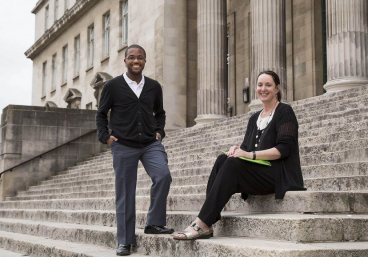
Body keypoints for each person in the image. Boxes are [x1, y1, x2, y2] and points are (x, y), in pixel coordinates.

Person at [173, 70, 306, 240]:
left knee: (233, 164)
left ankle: (202, 223)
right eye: (259, 85)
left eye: (268, 85)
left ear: (277, 89)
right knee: (224, 159)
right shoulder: (254, 118)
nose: (263, 89)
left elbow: (284, 149)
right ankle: (208, 220)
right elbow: (246, 148)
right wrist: (236, 150)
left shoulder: (285, 111)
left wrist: (250, 155)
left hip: (279, 174)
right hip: (259, 173)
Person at [96, 44, 174, 256]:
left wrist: (159, 132)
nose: (136, 61)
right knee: (125, 193)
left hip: (150, 143)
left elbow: (160, 113)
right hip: (123, 145)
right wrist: (105, 137)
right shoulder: (112, 86)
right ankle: (124, 241)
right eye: (131, 57)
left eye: (140, 58)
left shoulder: (154, 86)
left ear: (145, 61)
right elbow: (101, 114)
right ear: (125, 61)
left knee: (163, 175)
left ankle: (154, 223)